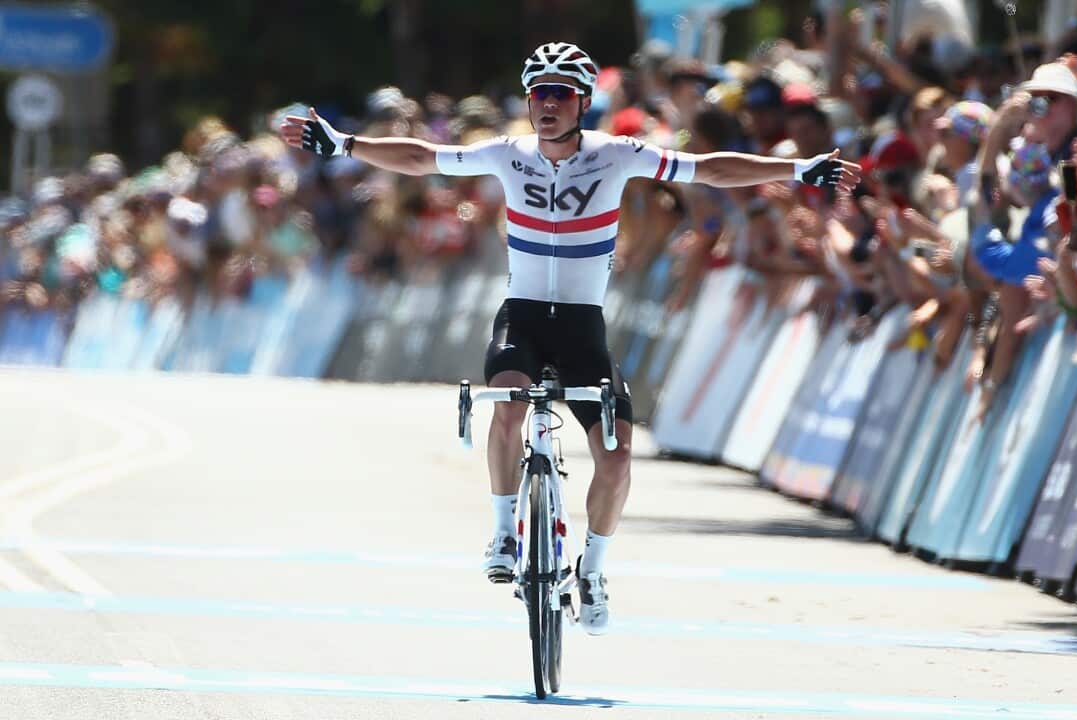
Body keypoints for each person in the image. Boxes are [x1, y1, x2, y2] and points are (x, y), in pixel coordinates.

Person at [279, 42, 859, 635]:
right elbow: (426, 158)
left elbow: (708, 169)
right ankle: (505, 533)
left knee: (618, 454)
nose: (548, 104)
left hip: (583, 327)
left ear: (583, 103)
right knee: (507, 404)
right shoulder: (507, 153)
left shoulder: (617, 154)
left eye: (561, 94)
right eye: (539, 94)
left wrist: (796, 170)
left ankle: (594, 571)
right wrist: (345, 144)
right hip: (523, 319)